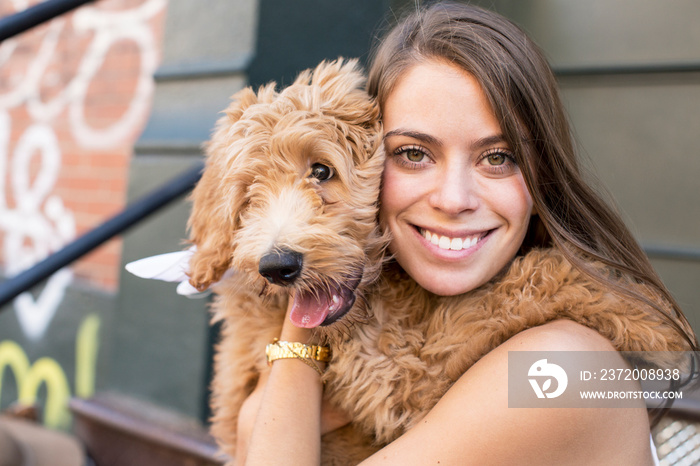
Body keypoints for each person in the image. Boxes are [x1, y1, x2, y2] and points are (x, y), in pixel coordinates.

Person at [239, 2, 698, 464]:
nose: (454, 198)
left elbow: (256, 433)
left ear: (543, 181)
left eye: (498, 157)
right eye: (414, 154)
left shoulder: (566, 365)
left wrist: (301, 325)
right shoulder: (396, 331)